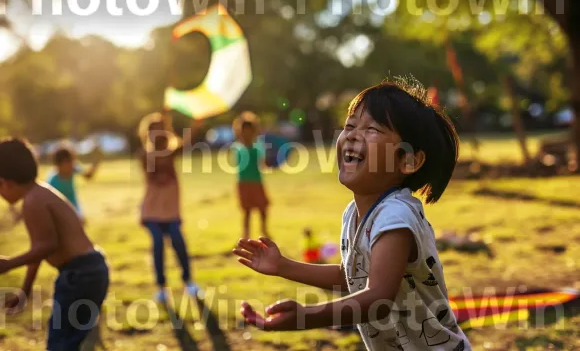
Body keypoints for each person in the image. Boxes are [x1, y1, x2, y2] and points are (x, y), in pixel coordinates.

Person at [233, 80, 471, 350]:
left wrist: (306, 316)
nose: (353, 135)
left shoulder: (396, 216)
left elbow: (378, 297)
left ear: (408, 160)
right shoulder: (354, 214)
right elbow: (353, 276)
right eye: (349, 125)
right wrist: (283, 266)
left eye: (371, 128)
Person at [0, 138, 109, 351]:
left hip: (79, 275)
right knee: (70, 342)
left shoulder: (33, 201)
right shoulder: (39, 192)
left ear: (4, 182)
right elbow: (40, 248)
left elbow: (47, 246)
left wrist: (9, 264)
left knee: (60, 345)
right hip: (91, 270)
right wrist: (25, 291)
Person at [137, 111, 200, 302]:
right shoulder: (145, 155)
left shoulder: (173, 152)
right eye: (155, 131)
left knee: (178, 242)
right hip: (152, 210)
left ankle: (188, 281)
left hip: (171, 210)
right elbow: (156, 164)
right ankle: (161, 286)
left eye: (161, 131)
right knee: (157, 244)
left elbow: (186, 142)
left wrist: (195, 125)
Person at [232, 113, 271, 240]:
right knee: (247, 211)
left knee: (263, 208)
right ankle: (246, 234)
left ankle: (264, 230)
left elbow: (263, 164)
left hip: (257, 181)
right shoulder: (238, 147)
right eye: (244, 130)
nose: (247, 133)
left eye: (250, 130)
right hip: (244, 183)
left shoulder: (258, 146)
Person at [46, 144, 101, 224]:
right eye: (69, 163)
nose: (71, 165)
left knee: (80, 223)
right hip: (58, 206)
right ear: (58, 165)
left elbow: (88, 176)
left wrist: (96, 163)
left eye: (72, 162)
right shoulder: (52, 180)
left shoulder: (74, 168)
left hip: (73, 204)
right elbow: (48, 200)